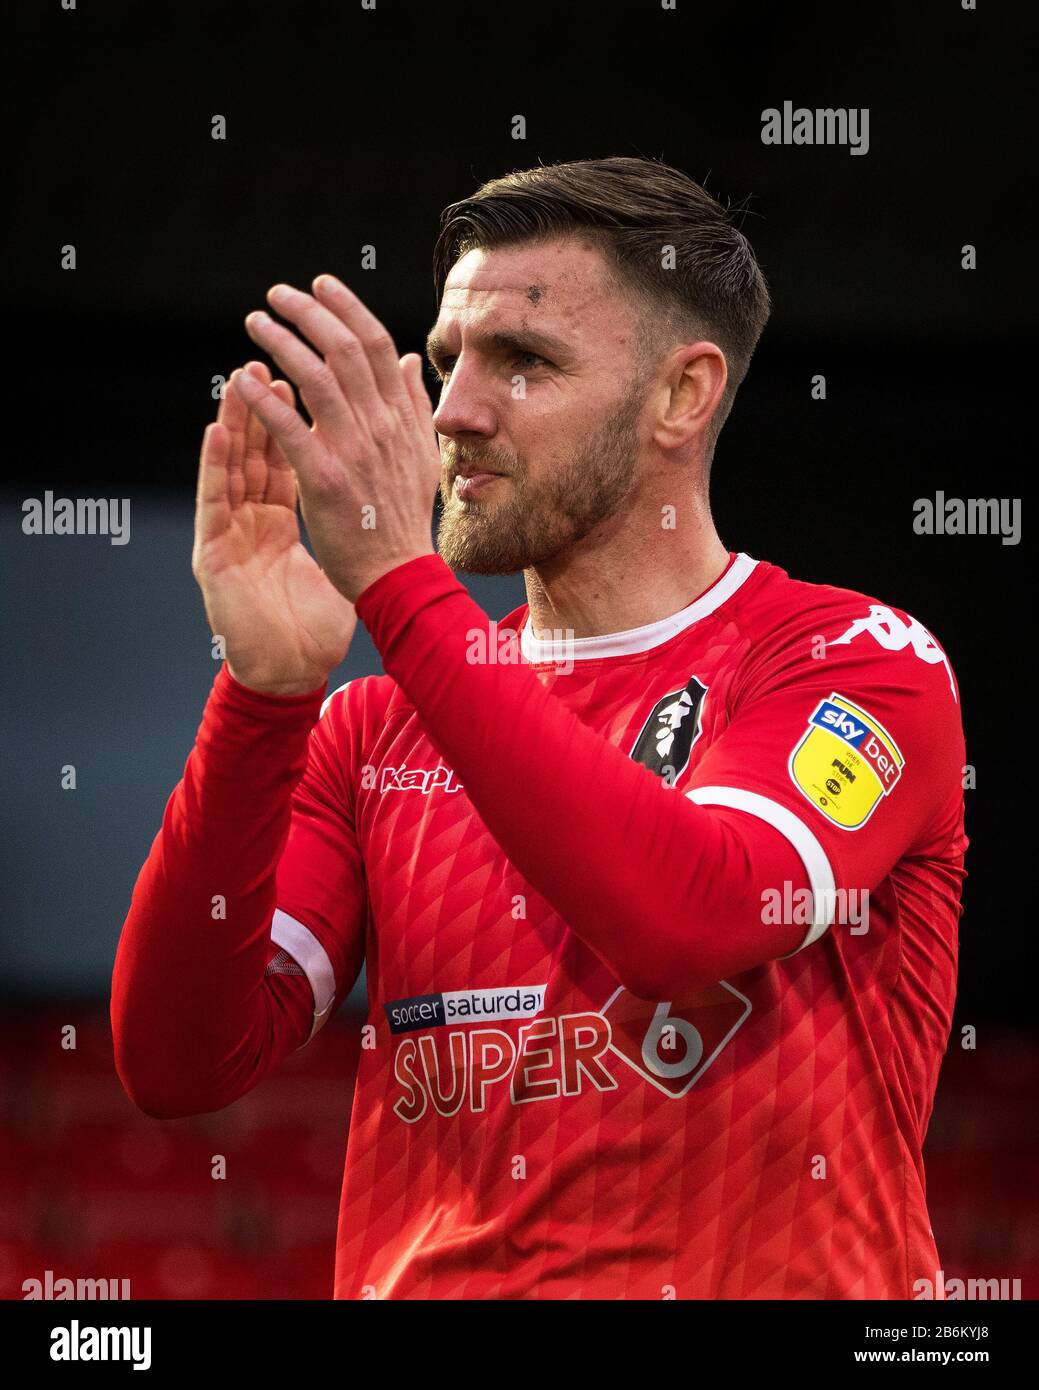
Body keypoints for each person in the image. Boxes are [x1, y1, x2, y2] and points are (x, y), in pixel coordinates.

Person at [112, 156, 967, 1299]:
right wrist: (261, 698)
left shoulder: (853, 663)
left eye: (523, 361)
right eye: (447, 360)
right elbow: (175, 1062)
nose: (454, 412)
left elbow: (693, 913)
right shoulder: (374, 734)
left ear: (682, 394)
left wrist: (401, 583)